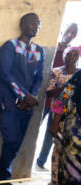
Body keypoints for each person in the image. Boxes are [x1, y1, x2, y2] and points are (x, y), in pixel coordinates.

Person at [0, 13, 45, 185]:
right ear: (22, 24)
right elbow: (6, 75)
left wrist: (32, 96)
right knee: (11, 139)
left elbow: (39, 77)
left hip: (27, 104)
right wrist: (24, 95)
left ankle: (3, 178)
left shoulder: (40, 50)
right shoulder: (10, 46)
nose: (35, 26)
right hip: (11, 102)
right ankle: (3, 178)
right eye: (32, 22)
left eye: (38, 24)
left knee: (18, 141)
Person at [35, 23, 78, 171]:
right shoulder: (54, 48)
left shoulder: (72, 53)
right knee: (37, 128)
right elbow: (51, 88)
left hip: (61, 107)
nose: (70, 34)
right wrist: (63, 88)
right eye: (69, 31)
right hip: (47, 100)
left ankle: (41, 161)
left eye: (74, 32)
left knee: (52, 134)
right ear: (62, 31)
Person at [45, 47, 80, 185]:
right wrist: (55, 121)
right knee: (59, 147)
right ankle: (55, 179)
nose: (72, 57)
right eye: (69, 54)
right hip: (63, 118)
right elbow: (62, 98)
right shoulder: (76, 76)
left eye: (75, 55)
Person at [48, 68, 81, 185]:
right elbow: (65, 96)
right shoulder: (79, 76)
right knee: (70, 161)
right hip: (77, 125)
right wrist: (55, 121)